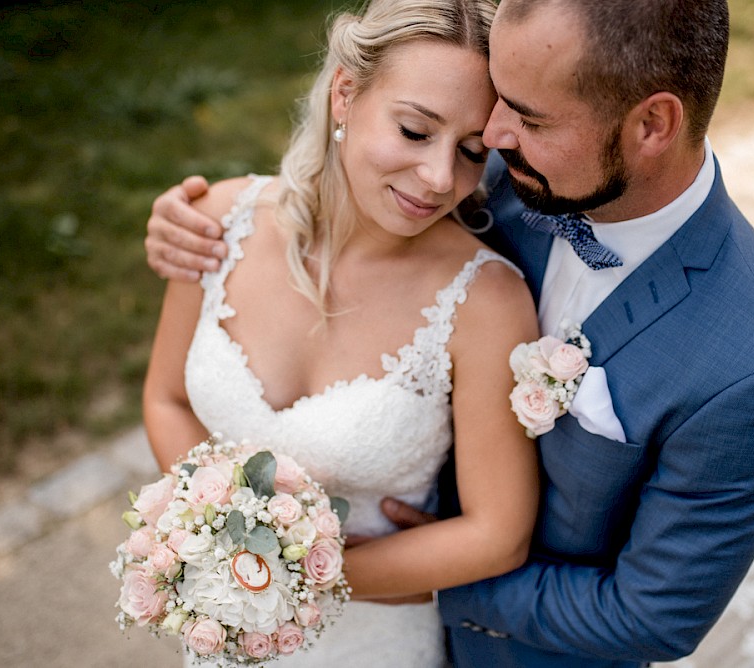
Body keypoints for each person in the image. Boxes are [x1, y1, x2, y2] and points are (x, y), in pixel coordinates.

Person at [146, 0, 754, 666]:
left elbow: (652, 614)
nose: (492, 137)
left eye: (524, 117)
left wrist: (329, 574)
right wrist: (195, 223)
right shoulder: (499, 169)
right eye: (496, 106)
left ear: (651, 125)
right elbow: (377, 147)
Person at [141, 0, 541, 666]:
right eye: (416, 131)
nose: (442, 177)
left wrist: (288, 577)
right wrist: (212, 540)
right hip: (220, 632)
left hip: (374, 640)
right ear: (346, 94)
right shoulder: (214, 219)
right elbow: (167, 400)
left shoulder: (486, 301)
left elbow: (497, 534)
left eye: (473, 151)